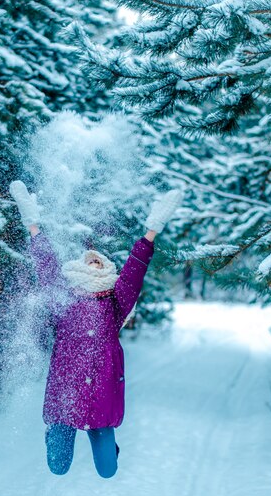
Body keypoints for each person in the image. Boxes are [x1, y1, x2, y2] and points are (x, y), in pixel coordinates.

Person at [9, 181, 182, 478]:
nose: (93, 264)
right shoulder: (63, 298)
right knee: (58, 467)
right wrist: (33, 225)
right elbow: (47, 266)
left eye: (99, 263)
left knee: (107, 470)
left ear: (107, 272)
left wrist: (151, 230)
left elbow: (134, 272)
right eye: (88, 261)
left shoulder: (115, 304)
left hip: (102, 399)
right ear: (78, 268)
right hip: (66, 397)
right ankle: (54, 434)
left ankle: (107, 449)